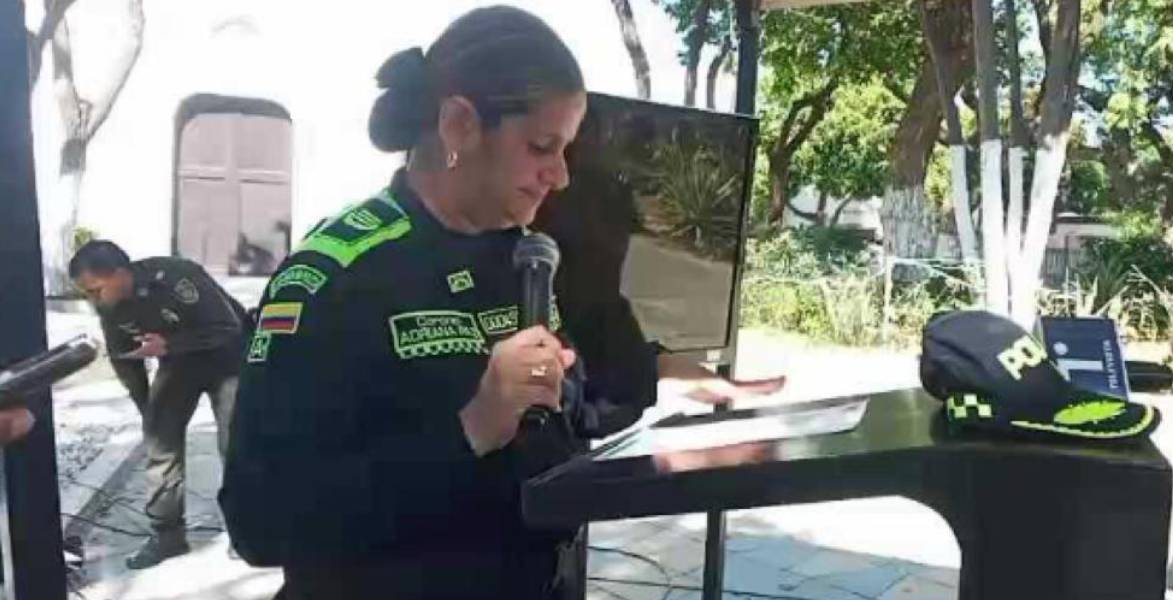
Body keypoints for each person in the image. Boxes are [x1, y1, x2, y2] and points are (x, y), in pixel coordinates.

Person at [221, 7, 778, 599]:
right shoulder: (335, 277)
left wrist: (680, 406)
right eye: (542, 147)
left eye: (566, 151)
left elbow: (574, 402)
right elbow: (260, 521)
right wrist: (471, 428)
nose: (560, 176)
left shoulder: (528, 258)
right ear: (460, 124)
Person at [69, 240, 249, 569]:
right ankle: (168, 537)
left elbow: (227, 327)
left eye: (96, 290)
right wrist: (146, 410)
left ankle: (244, 532)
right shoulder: (111, 306)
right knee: (160, 443)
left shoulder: (177, 276)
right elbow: (125, 358)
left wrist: (170, 344)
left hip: (229, 356)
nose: (93, 300)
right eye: (87, 294)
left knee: (234, 444)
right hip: (179, 361)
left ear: (120, 273)